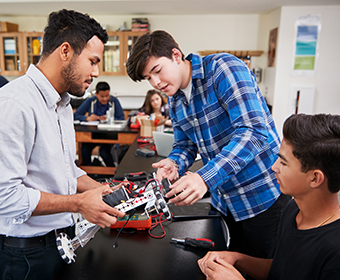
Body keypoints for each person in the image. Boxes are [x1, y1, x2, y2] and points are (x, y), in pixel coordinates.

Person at [126, 30, 290, 262]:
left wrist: (204, 178)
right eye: (148, 78)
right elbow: (185, 144)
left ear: (175, 55)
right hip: (225, 202)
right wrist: (175, 163)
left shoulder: (224, 69)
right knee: (231, 269)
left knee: (266, 270)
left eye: (157, 71)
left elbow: (253, 131)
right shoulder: (175, 99)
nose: (156, 83)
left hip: (261, 198)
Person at [0, 9, 125, 280]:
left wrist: (104, 189)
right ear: (65, 51)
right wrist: (79, 203)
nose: (96, 72)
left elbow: (66, 170)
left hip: (63, 241)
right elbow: (5, 197)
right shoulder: (14, 104)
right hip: (25, 254)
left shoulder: (63, 104)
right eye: (92, 61)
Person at [198, 113, 340, 280]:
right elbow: (280, 271)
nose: (274, 167)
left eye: (284, 163)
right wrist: (237, 259)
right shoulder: (293, 209)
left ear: (315, 178)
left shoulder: (334, 250)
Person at [74, 81, 124, 166]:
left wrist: (110, 119)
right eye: (102, 96)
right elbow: (76, 115)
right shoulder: (90, 101)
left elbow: (121, 118)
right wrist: (87, 118)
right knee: (85, 149)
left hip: (109, 135)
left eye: (107, 96)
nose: (105, 99)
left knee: (105, 152)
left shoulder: (114, 101)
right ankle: (88, 172)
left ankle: (112, 173)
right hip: (93, 134)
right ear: (96, 94)